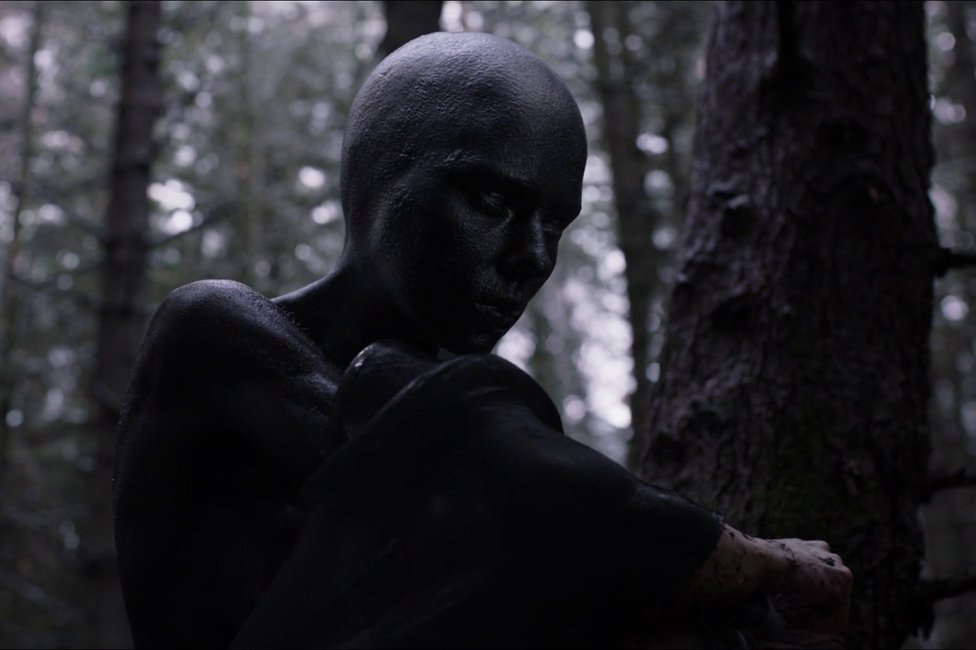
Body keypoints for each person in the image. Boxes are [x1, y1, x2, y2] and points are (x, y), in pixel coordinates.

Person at [112, 32, 852, 648]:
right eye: (493, 200)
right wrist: (759, 561)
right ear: (378, 178)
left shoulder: (458, 415)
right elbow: (479, 475)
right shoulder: (210, 331)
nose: (532, 256)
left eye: (556, 224)